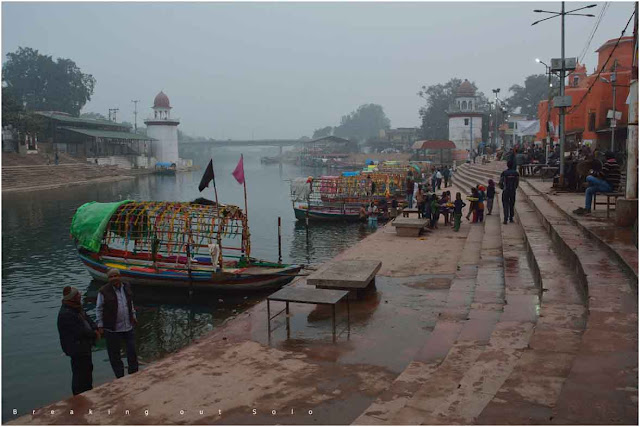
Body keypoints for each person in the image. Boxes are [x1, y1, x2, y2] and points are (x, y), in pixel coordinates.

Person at [57, 286, 100, 395]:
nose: (80, 295)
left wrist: (95, 328)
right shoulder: (66, 313)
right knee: (79, 373)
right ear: (73, 297)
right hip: (77, 348)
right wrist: (94, 334)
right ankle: (78, 395)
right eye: (77, 294)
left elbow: (88, 319)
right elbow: (79, 331)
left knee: (88, 369)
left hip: (85, 346)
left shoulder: (77, 307)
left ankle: (88, 391)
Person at [97, 268, 139, 379]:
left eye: (115, 276)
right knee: (114, 355)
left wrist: (133, 316)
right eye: (111, 277)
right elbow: (99, 309)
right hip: (112, 329)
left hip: (128, 326)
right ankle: (120, 377)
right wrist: (100, 325)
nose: (114, 278)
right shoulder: (103, 291)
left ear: (119, 276)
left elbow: (130, 303)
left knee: (132, 351)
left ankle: (134, 374)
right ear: (108, 279)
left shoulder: (126, 287)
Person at [573, 151, 621, 215]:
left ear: (607, 157)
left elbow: (601, 175)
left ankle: (589, 186)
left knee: (589, 177)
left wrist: (592, 172)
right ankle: (587, 208)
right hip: (611, 186)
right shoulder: (617, 165)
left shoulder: (608, 164)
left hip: (608, 186)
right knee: (589, 190)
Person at [499, 159, 520, 224]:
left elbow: (500, 182)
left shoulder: (504, 173)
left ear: (507, 165)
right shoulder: (516, 173)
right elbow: (517, 182)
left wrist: (502, 188)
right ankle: (511, 218)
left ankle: (505, 219)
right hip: (512, 191)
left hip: (506, 191)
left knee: (505, 204)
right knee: (512, 204)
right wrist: (514, 188)